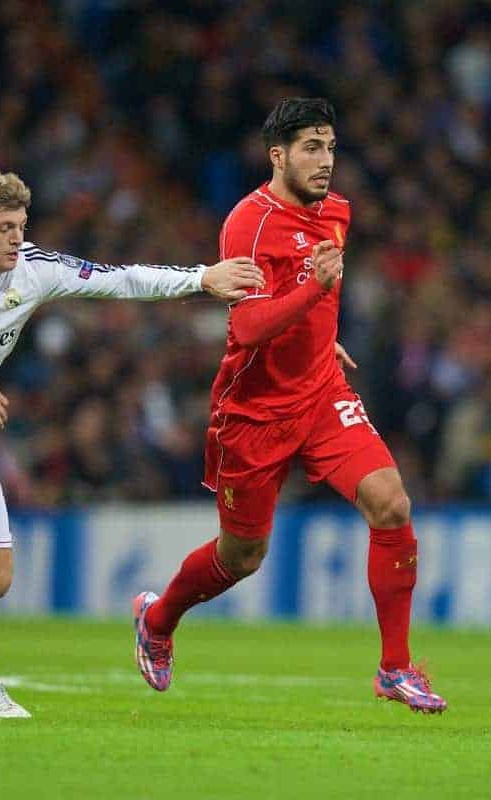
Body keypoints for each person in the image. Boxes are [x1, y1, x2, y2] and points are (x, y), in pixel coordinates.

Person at [0, 165, 264, 718]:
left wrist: (201, 278)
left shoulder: (34, 270)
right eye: (5, 227)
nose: (17, 238)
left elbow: (118, 279)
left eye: (21, 225)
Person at [131, 98, 447, 713]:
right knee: (242, 556)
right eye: (311, 148)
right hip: (253, 413)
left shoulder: (338, 212)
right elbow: (248, 328)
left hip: (323, 392)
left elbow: (312, 296)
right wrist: (314, 293)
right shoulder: (247, 224)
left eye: (330, 147)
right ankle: (160, 618)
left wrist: (324, 332)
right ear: (277, 155)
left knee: (391, 502)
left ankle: (395, 669)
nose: (325, 161)